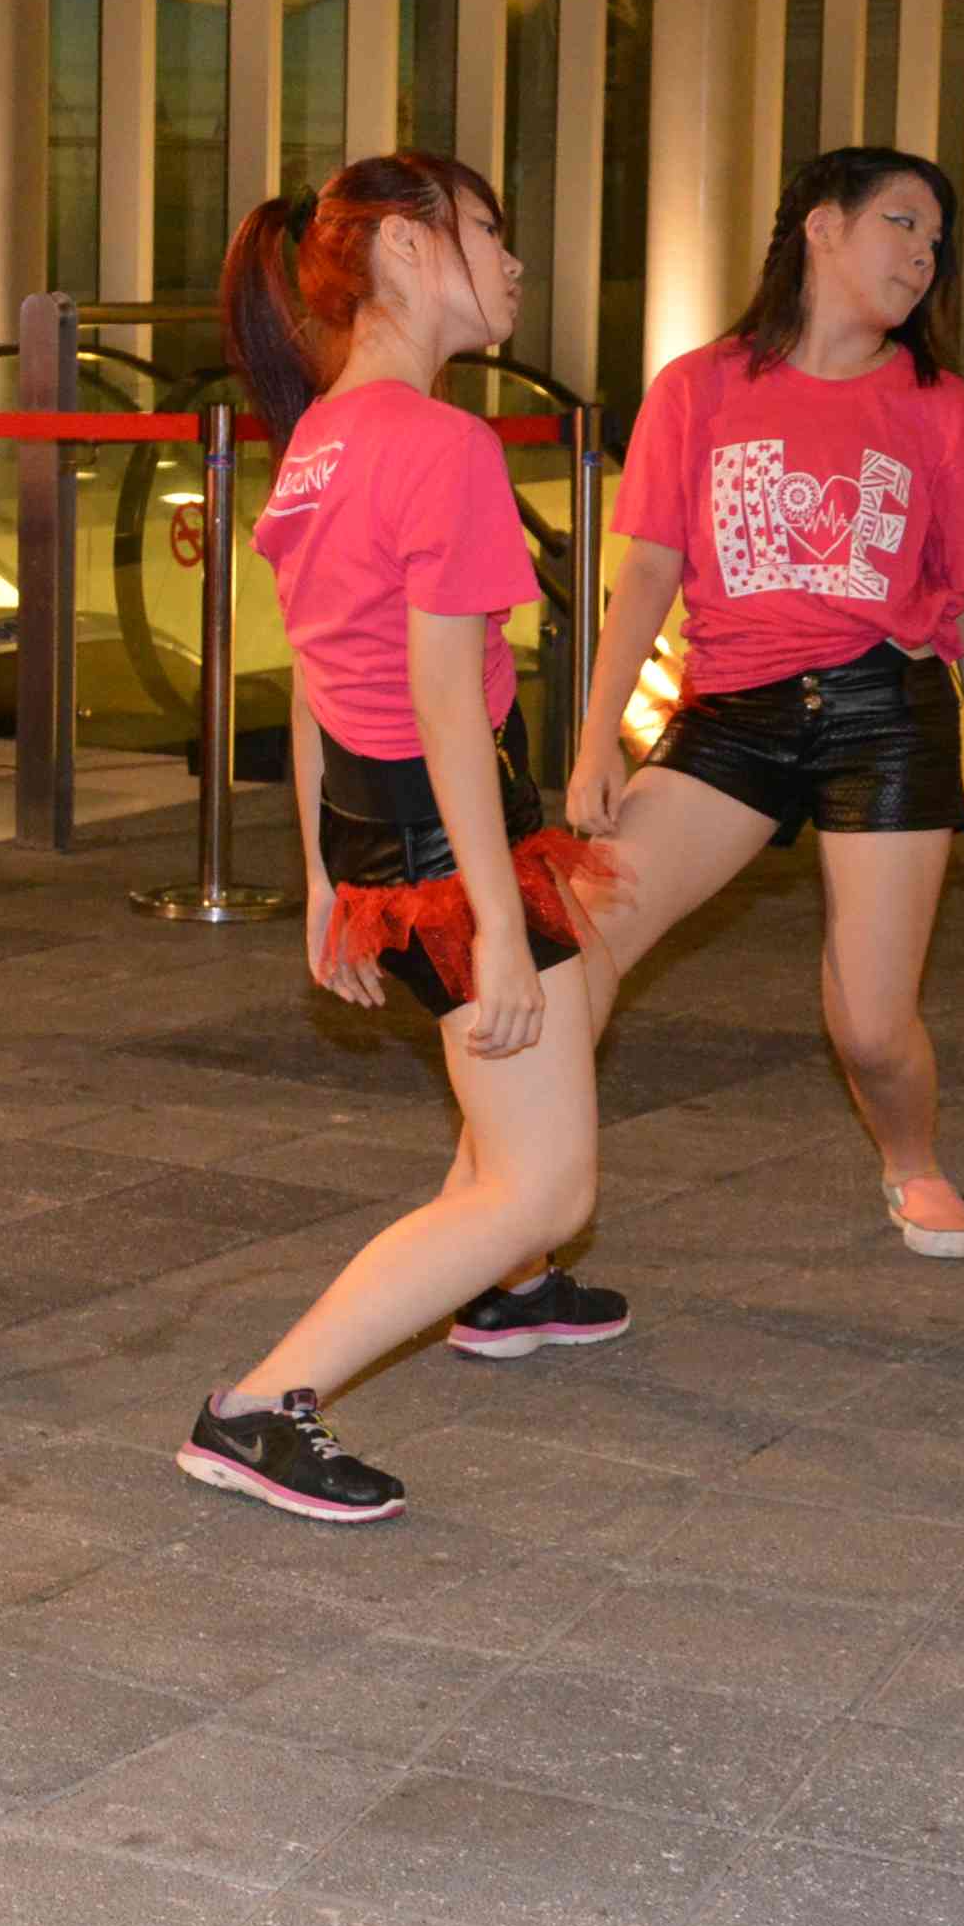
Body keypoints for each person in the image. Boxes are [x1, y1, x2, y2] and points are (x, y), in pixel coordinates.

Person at [178, 158, 619, 1527]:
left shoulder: (319, 441)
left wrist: (328, 881)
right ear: (409, 249)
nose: (515, 261)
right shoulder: (440, 445)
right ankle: (260, 1407)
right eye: (490, 230)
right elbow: (440, 703)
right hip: (449, 842)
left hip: (386, 840)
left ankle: (494, 1291)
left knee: (538, 1103)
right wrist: (495, 927)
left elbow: (315, 682)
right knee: (545, 1188)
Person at [561, 146, 964, 1262]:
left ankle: (911, 1161)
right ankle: (525, 1192)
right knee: (571, 942)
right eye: (902, 225)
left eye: (936, 242)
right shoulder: (699, 386)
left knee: (870, 1028)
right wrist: (594, 739)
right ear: (821, 227)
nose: (923, 257)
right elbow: (647, 573)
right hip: (732, 713)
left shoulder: (943, 411)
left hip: (883, 715)